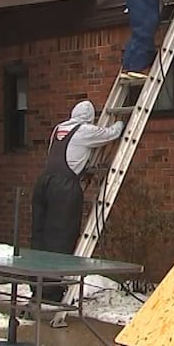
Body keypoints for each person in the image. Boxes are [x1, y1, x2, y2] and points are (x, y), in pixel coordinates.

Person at [30, 99, 125, 301]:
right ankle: (53, 291)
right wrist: (122, 122)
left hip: (43, 183)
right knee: (61, 236)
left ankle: (37, 287)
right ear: (89, 117)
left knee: (40, 235)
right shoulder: (85, 131)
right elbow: (112, 134)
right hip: (63, 187)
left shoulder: (59, 129)